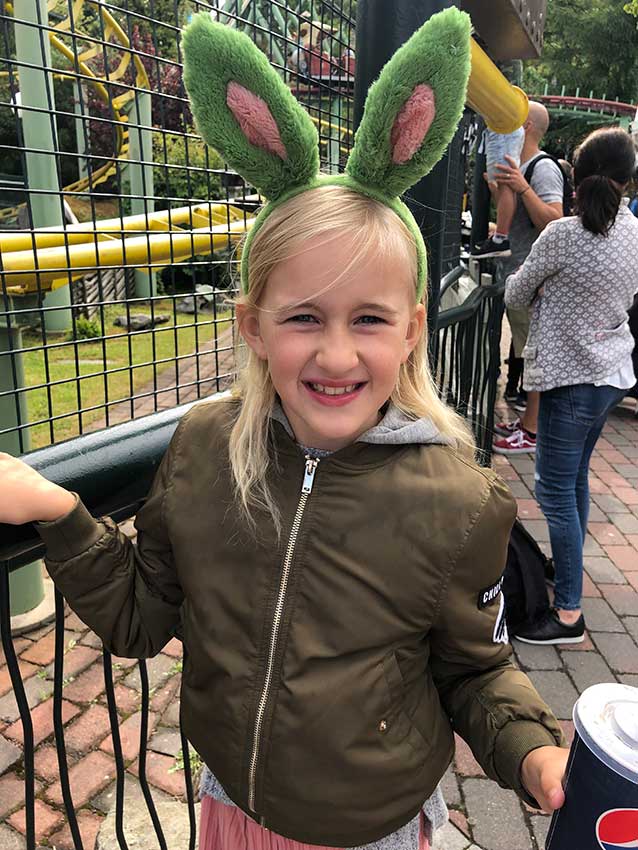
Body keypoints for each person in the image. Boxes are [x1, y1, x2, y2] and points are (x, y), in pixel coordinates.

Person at [0, 10, 569, 850]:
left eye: (368, 318)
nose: (336, 353)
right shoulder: (204, 447)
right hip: (232, 803)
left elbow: (475, 668)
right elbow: (141, 615)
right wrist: (58, 511)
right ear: (253, 327)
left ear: (411, 331)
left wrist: (534, 753)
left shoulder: (460, 501)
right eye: (304, 316)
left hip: (369, 828)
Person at [504, 127, 638, 645]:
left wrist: (544, 288)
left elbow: (516, 293)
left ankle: (567, 614)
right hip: (610, 375)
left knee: (555, 492)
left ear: (575, 176)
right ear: (627, 180)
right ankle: (567, 570)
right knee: (575, 478)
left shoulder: (563, 234)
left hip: (570, 377)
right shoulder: (632, 230)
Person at [491, 102, 565, 456]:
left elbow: (555, 220)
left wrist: (522, 188)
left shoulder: (543, 167)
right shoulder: (520, 165)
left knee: (535, 355)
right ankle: (527, 424)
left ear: (526, 126)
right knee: (528, 351)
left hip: (535, 278)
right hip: (521, 274)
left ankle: (532, 431)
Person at [471, 125, 526, 258]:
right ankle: (501, 238)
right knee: (503, 184)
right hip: (502, 130)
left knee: (504, 183)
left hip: (504, 130)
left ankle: (500, 240)